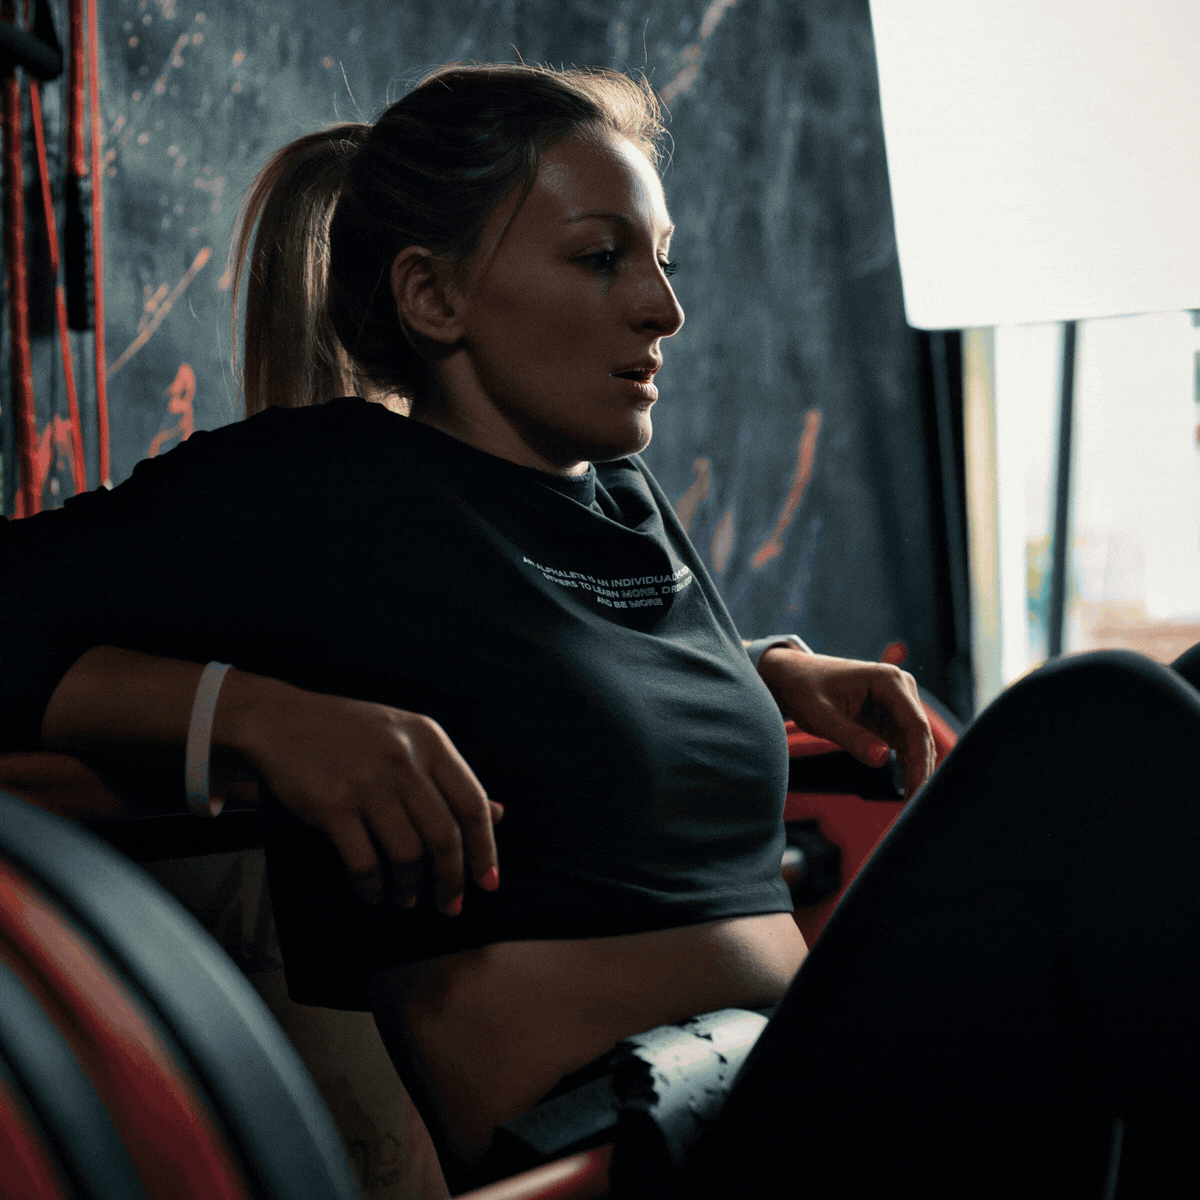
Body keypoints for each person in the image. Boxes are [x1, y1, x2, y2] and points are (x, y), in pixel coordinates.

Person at [2, 62, 1194, 1198]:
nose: (664, 309)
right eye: (600, 258)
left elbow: (535, 675)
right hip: (644, 1148)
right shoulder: (326, 487)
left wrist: (764, 670)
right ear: (433, 296)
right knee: (1097, 719)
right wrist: (255, 717)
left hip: (801, 1085)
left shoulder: (618, 498)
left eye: (663, 260)